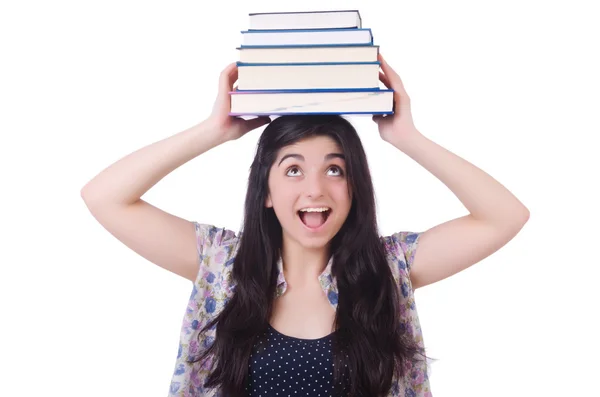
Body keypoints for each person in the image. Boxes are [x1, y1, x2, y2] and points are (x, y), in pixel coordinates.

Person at [81, 53, 530, 397]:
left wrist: (406, 137)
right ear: (267, 193)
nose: (315, 189)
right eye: (293, 170)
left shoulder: (390, 268)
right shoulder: (220, 263)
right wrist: (214, 130)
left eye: (335, 169)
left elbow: (504, 216)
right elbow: (105, 197)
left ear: (355, 188)